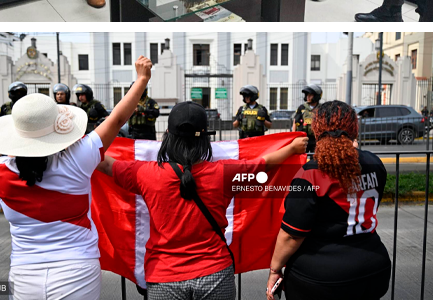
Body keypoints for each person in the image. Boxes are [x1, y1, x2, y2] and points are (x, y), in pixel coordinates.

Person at [0, 57, 154, 300]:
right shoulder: (78, 158)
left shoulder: (0, 171)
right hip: (78, 269)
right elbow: (116, 120)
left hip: (25, 273)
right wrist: (142, 79)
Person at [96, 102, 306, 300]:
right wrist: (292, 148)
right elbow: (263, 164)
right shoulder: (223, 173)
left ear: (167, 136)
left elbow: (104, 164)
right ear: (205, 138)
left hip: (163, 278)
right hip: (215, 275)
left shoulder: (145, 174)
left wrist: (78, 145)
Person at [270, 101, 392, 299]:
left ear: (316, 130)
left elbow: (292, 235)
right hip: (374, 268)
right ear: (355, 129)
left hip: (322, 277)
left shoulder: (310, 174)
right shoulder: (374, 162)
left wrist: (275, 270)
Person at [293, 85, 323, 149]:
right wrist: (293, 136)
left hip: (316, 139)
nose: (308, 97)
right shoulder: (302, 107)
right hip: (302, 138)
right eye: (307, 95)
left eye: (310, 95)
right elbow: (295, 122)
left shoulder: (321, 108)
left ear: (316, 96)